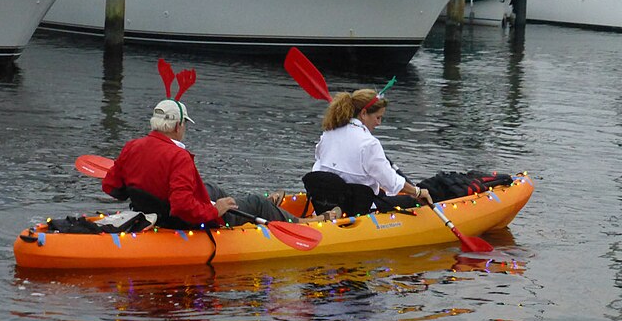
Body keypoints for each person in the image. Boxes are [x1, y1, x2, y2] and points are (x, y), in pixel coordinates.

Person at [103, 99, 338, 227]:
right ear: (177, 126)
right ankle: (300, 222)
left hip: (153, 211)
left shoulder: (132, 146)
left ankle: (245, 205)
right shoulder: (179, 157)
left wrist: (138, 188)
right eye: (185, 125)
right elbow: (183, 207)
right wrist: (215, 209)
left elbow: (111, 187)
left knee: (212, 188)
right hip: (179, 220)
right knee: (255, 202)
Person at [312, 89, 432, 209]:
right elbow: (390, 182)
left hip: (326, 201)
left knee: (380, 192)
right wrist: (417, 192)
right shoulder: (369, 143)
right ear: (363, 114)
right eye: (378, 117)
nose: (379, 123)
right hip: (358, 206)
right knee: (413, 202)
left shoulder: (328, 133)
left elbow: (320, 162)